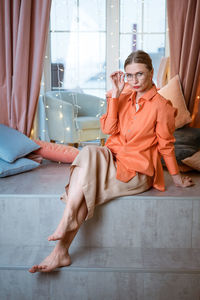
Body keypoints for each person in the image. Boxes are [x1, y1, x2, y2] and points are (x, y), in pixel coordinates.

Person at [29, 50, 194, 273]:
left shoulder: (162, 106)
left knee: (88, 182)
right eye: (129, 75)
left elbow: (166, 145)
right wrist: (115, 95)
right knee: (88, 152)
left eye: (139, 74)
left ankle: (60, 250)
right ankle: (67, 220)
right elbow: (108, 129)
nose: (133, 81)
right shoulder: (123, 95)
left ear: (151, 73)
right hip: (112, 158)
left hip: (136, 171)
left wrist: (177, 178)